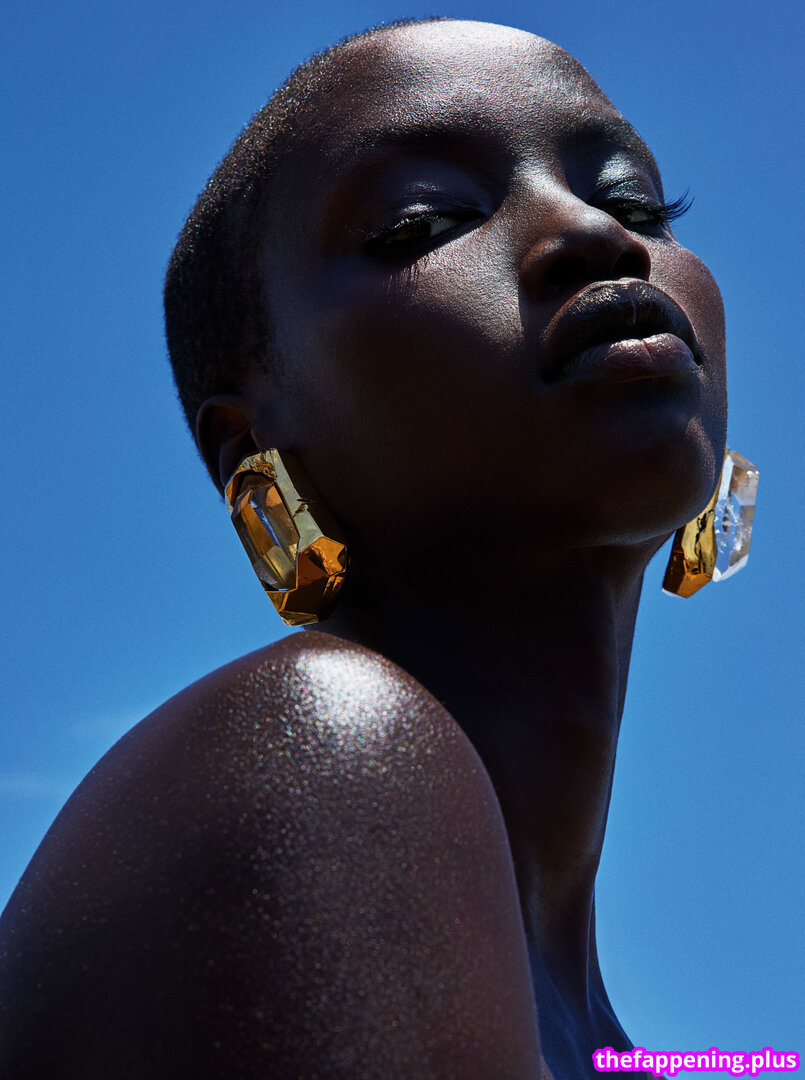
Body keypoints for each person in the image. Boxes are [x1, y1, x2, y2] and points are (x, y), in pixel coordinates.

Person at [0, 17, 730, 1079]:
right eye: (420, 221)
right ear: (249, 447)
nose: (595, 235)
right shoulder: (327, 752)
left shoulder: (634, 1053)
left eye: (635, 204)